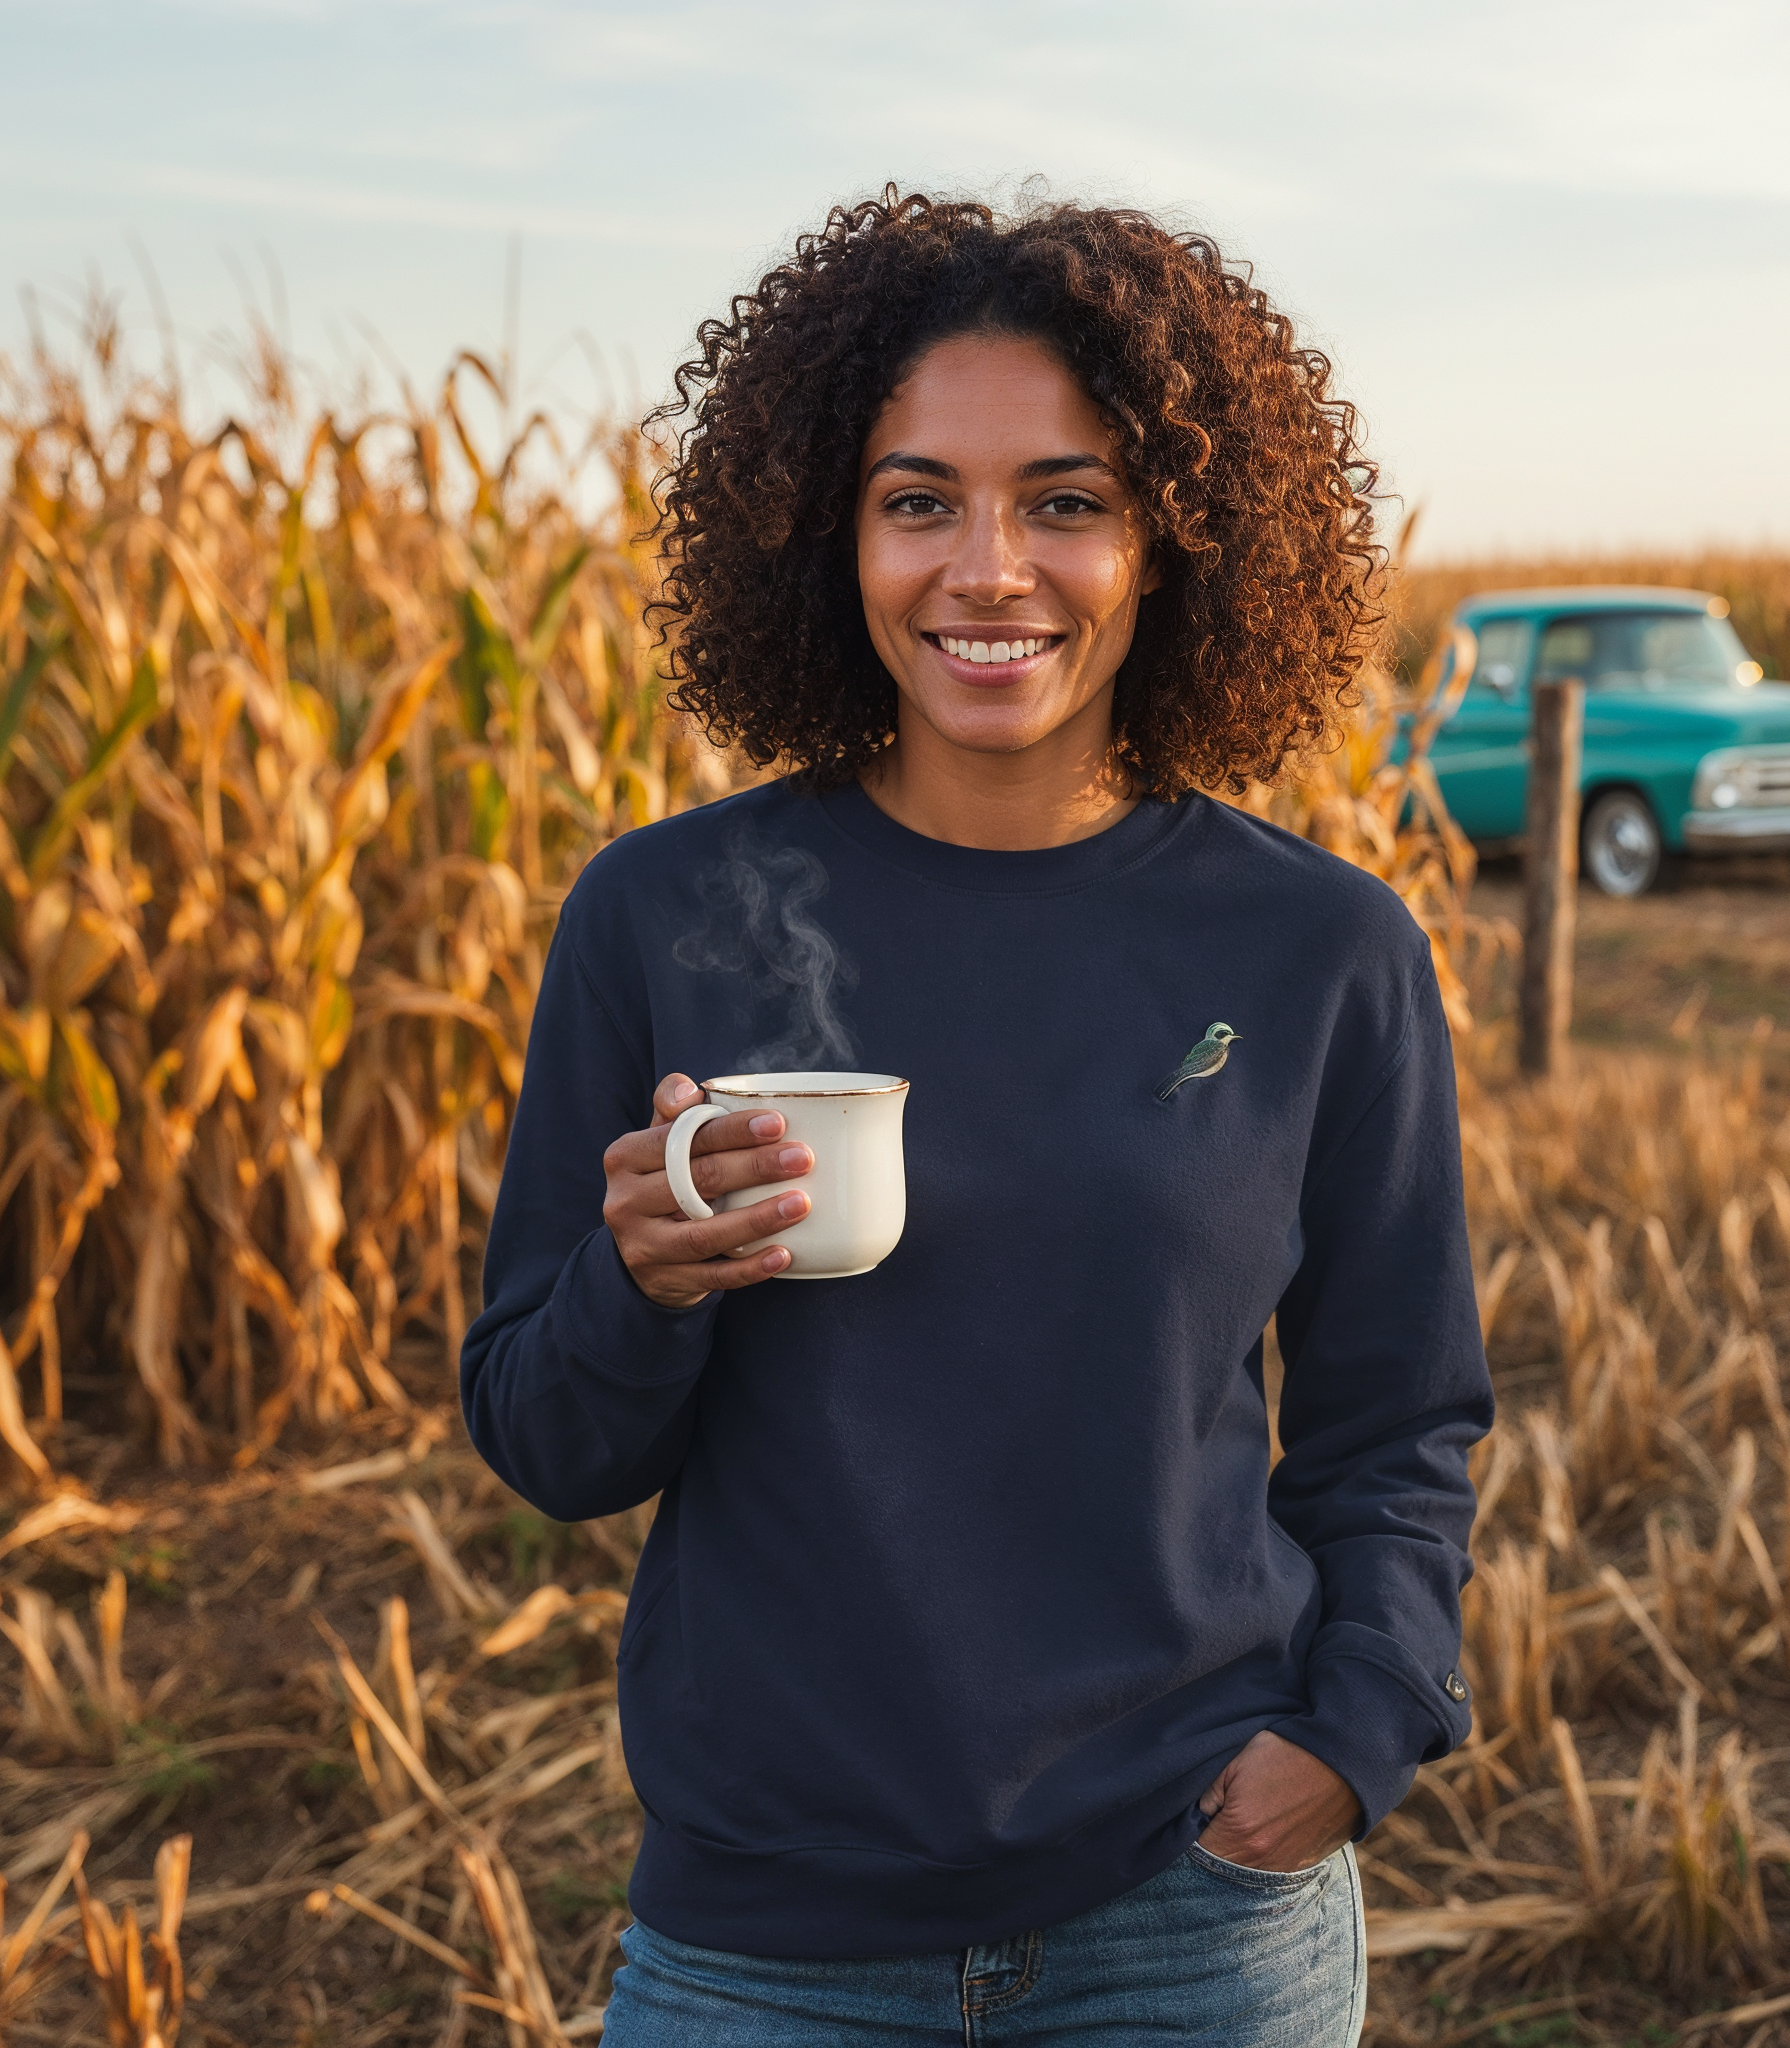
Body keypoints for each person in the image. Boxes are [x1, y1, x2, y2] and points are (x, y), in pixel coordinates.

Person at [462, 190, 1492, 2046]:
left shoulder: (1321, 947)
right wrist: (645, 1288)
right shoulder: (661, 910)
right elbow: (544, 1441)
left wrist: (1358, 1732)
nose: (987, 568)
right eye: (919, 498)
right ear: (829, 536)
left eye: (1068, 503)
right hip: (766, 1934)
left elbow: (1398, 1423)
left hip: (1192, 1917)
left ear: (1171, 543)